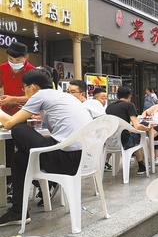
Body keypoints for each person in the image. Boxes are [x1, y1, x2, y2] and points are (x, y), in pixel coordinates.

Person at [0, 70, 92, 226]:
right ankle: (17, 211)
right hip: (82, 159)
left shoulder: (40, 96)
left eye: (24, 87)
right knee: (20, 158)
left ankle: (20, 209)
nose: (24, 91)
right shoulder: (62, 96)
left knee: (18, 129)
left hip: (66, 160)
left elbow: (10, 123)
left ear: (34, 87)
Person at [0, 42, 35, 193]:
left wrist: (13, 99)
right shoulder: (2, 68)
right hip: (4, 115)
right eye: (10, 59)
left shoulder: (32, 72)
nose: (14, 63)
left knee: (22, 148)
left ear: (26, 57)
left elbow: (36, 98)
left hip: (24, 115)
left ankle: (22, 182)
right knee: (5, 149)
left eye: (18, 60)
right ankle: (8, 183)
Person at [106, 86, 150, 175]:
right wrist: (147, 128)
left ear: (117, 95)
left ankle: (106, 161)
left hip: (110, 140)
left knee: (133, 134)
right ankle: (141, 165)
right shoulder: (129, 105)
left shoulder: (109, 107)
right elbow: (137, 125)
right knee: (140, 136)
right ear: (130, 95)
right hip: (124, 141)